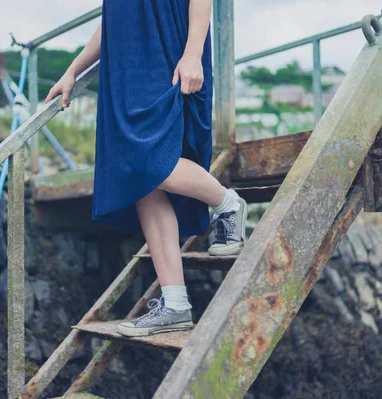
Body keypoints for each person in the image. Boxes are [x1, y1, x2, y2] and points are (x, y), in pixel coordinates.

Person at [45, 0, 248, 337]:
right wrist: (73, 70)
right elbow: (115, 15)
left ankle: (226, 203)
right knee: (139, 181)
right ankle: (175, 305)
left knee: (144, 160)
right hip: (126, 68)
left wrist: (194, 53)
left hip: (166, 53)